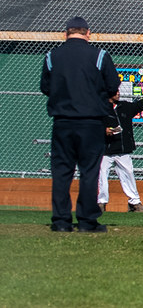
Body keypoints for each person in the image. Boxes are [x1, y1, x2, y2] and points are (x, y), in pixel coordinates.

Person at [40, 16, 120, 233]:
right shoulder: (100, 56)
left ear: (65, 34)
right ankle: (86, 221)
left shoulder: (52, 56)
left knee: (62, 172)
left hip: (62, 122)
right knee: (89, 172)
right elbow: (113, 85)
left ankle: (61, 221)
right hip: (91, 122)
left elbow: (45, 87)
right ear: (88, 33)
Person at [98, 78, 143, 212]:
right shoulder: (100, 108)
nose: (118, 93)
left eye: (118, 91)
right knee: (102, 174)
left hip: (123, 149)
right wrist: (103, 130)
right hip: (106, 149)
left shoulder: (125, 106)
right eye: (114, 92)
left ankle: (134, 202)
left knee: (128, 173)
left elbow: (140, 105)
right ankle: (101, 202)